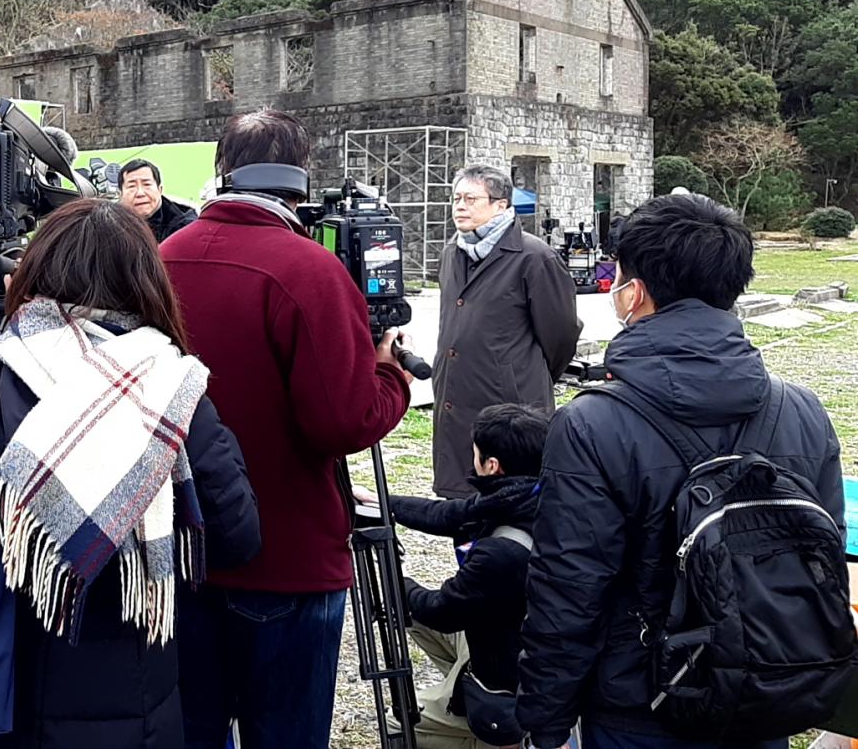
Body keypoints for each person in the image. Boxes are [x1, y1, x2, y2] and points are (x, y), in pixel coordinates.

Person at [0, 198, 261, 748]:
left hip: (0, 687)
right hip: (135, 696)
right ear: (146, 282)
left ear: (37, 271)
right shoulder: (173, 392)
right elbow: (236, 536)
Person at [517, 194, 846, 749]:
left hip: (641, 703)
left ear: (634, 292)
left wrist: (544, 720)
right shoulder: (803, 410)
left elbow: (569, 590)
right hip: (761, 692)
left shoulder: (591, 423)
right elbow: (823, 558)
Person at [162, 108, 413, 749]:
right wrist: (392, 379)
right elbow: (341, 422)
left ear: (222, 172)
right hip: (288, 557)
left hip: (180, 549)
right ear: (300, 179)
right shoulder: (308, 269)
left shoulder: (161, 256)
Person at [357, 403, 550, 749]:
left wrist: (395, 584)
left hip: (506, 677)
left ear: (492, 466)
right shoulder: (530, 498)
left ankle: (479, 728)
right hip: (513, 638)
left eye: (475, 454)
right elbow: (449, 514)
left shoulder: (501, 554)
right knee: (411, 618)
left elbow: (441, 611)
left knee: (398, 725)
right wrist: (380, 503)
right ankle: (461, 689)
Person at [432, 164, 578, 498]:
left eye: (471, 198)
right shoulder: (452, 252)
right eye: (456, 198)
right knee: (460, 499)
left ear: (502, 205)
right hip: (456, 398)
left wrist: (518, 373)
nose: (460, 206)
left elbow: (561, 335)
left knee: (510, 503)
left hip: (510, 406)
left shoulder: (535, 257)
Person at [120, 158, 198, 243]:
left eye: (147, 184)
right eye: (132, 186)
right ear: (120, 194)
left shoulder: (184, 226)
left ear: (160, 190)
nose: (140, 193)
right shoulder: (111, 225)